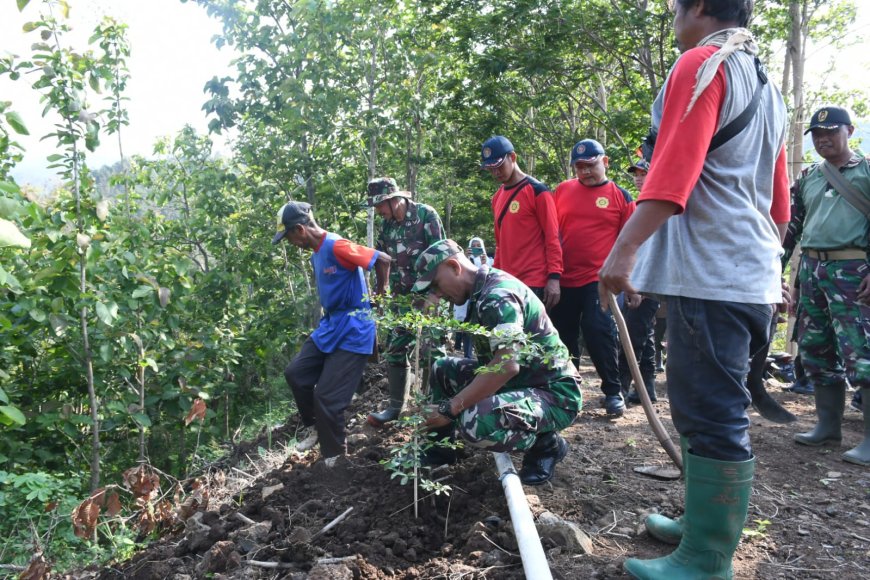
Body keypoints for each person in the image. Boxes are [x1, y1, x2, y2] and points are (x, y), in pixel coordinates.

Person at [598, 1, 790, 577]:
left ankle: (707, 559)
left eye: (677, 6)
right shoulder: (764, 84)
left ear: (701, 8)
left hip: (711, 274)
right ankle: (702, 523)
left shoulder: (702, 65)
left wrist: (624, 249)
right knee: (706, 406)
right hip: (745, 271)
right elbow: (779, 203)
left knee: (711, 413)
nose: (674, 17)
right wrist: (764, 268)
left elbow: (671, 175)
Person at [413, 239, 582, 485]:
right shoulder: (479, 292)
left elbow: (506, 366)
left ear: (454, 266)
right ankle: (441, 451)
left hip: (553, 393)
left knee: (473, 421)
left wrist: (449, 409)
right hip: (519, 383)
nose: (437, 295)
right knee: (443, 369)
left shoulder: (498, 295)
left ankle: (546, 445)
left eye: (437, 285)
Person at [273, 201, 391, 466]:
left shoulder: (336, 245)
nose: (290, 243)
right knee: (297, 373)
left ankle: (335, 461)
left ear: (300, 230)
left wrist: (381, 298)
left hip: (354, 327)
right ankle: (314, 426)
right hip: (331, 325)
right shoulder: (316, 252)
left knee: (326, 397)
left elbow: (382, 260)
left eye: (288, 237)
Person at [785, 105, 870, 466]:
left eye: (831, 132)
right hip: (813, 270)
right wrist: (776, 272)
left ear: (849, 131)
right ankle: (827, 426)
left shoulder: (866, 172)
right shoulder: (809, 177)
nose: (823, 140)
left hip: (855, 271)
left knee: (862, 352)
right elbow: (792, 227)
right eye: (817, 135)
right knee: (816, 348)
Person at [551, 139, 635, 417]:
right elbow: (550, 231)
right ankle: (568, 390)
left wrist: (634, 285)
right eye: (580, 167)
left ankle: (613, 391)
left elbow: (632, 245)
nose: (585, 171)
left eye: (591, 165)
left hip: (599, 281)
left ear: (605, 162)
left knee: (598, 330)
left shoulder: (620, 197)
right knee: (563, 336)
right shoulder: (562, 191)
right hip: (564, 277)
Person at [365, 177, 446, 428]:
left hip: (429, 294)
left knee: (433, 351)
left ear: (393, 199)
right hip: (401, 300)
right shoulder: (387, 226)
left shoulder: (426, 215)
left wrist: (435, 294)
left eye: (380, 205)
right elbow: (382, 259)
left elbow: (443, 255)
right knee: (395, 349)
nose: (378, 211)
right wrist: (381, 290)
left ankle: (438, 406)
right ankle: (395, 407)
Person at [480, 136, 563, 309]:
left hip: (535, 281)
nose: (496, 173)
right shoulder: (497, 198)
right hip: (508, 282)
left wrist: (554, 277)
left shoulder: (537, 191)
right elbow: (500, 244)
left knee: (534, 335)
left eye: (499, 166)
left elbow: (553, 237)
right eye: (491, 169)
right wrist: (494, 276)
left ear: (513, 157)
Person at [619, 157, 661, 405]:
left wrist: (638, 285)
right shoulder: (640, 205)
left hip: (647, 281)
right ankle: (647, 388)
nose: (638, 177)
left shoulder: (657, 206)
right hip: (641, 279)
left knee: (632, 335)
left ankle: (623, 387)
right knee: (644, 333)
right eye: (635, 173)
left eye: (643, 172)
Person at [453, 237, 493, 358]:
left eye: (478, 246)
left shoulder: (490, 261)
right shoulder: (465, 260)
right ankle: (467, 355)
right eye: (473, 246)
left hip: (483, 298)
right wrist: (464, 257)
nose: (476, 248)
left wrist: (485, 263)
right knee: (468, 327)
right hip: (468, 299)